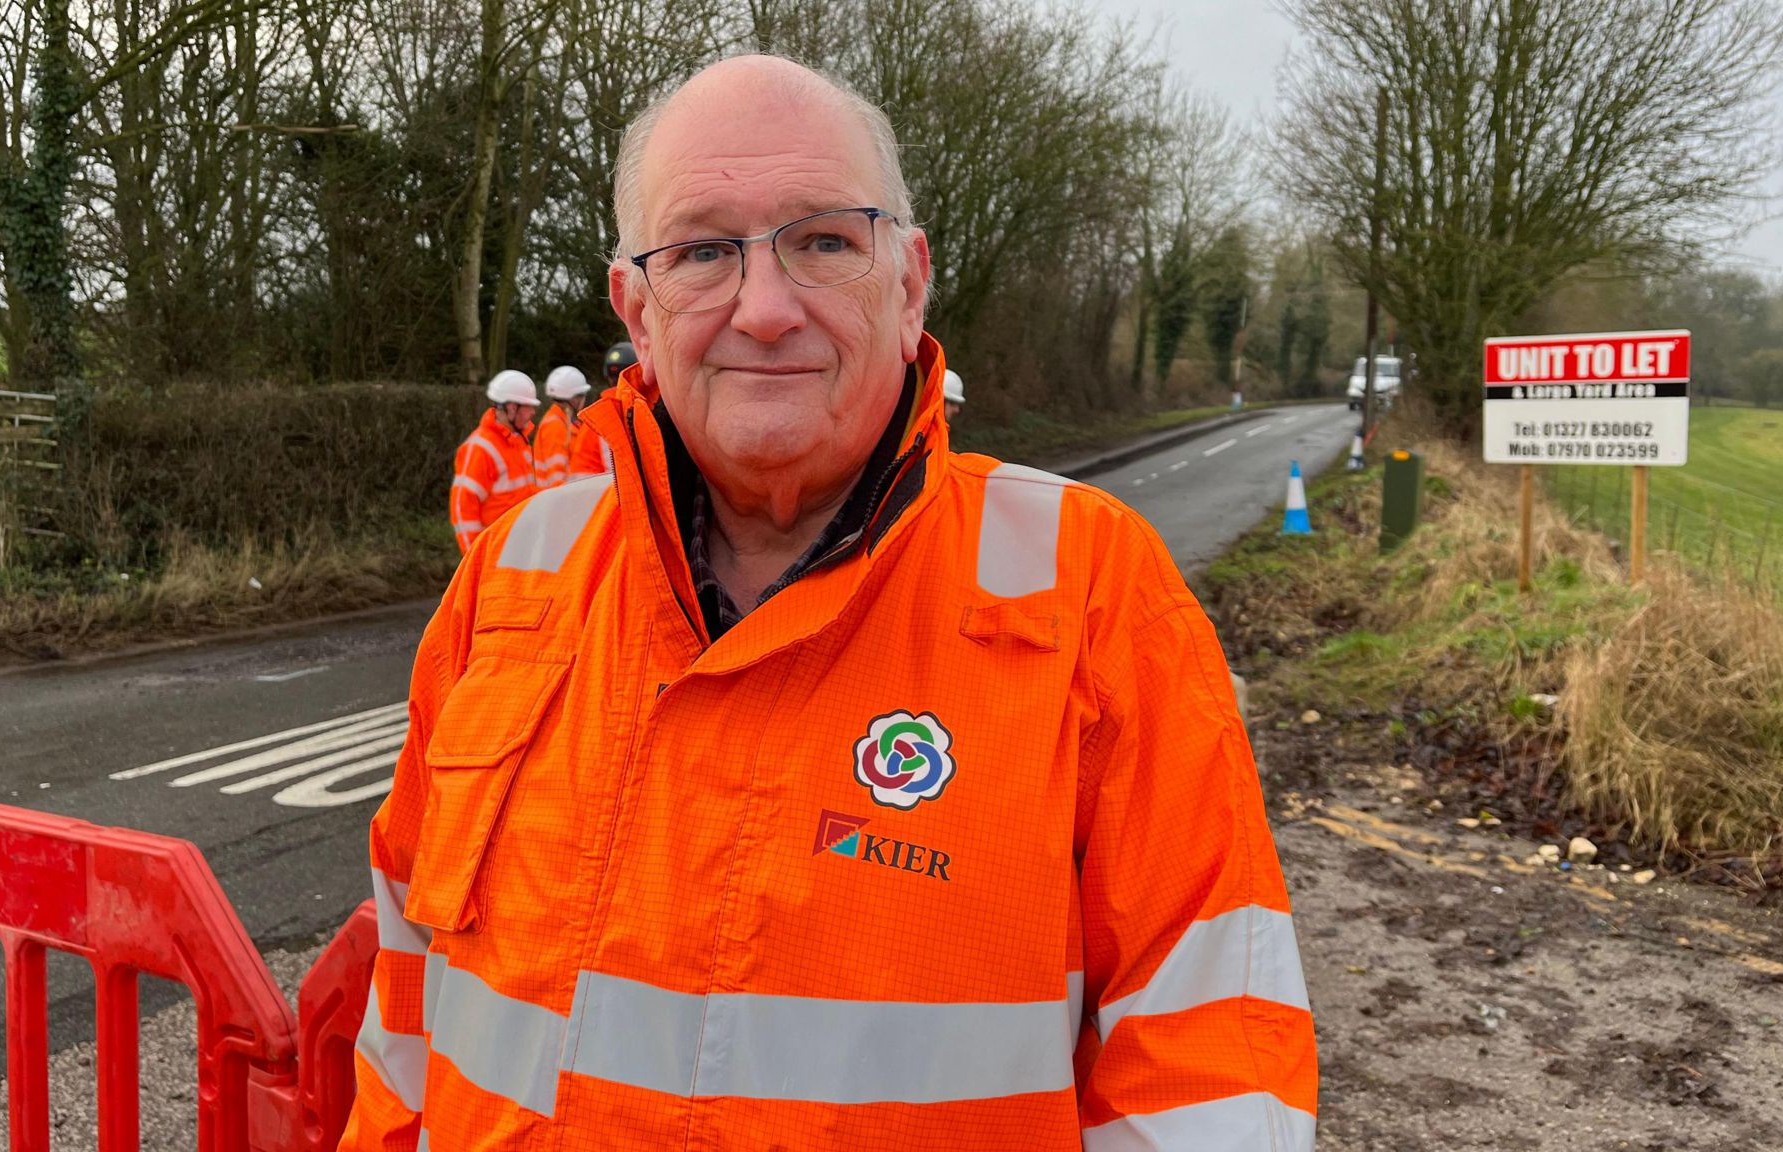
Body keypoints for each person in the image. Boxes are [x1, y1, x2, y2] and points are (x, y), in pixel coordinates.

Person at [349, 55, 1314, 1152]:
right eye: (702, 251)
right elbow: (406, 1002)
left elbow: (1209, 1070)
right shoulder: (514, 577)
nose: (764, 311)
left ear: (907, 287)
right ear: (636, 309)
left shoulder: (1088, 590)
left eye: (821, 242)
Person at [447, 369, 538, 552]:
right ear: (512, 408)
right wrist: (473, 559)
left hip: (519, 550)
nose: (533, 412)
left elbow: (524, 494)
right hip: (496, 553)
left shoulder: (519, 443)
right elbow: (462, 507)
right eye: (528, 406)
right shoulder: (480, 448)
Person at [532, 365, 592, 489]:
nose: (583, 400)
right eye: (581, 396)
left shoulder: (565, 423)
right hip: (558, 503)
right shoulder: (555, 426)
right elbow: (557, 478)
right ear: (573, 399)